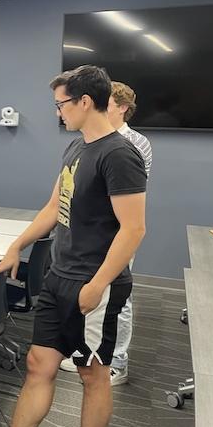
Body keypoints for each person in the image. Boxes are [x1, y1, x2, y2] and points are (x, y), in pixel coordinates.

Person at [0, 66, 147, 427]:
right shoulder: (76, 149)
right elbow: (53, 207)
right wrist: (15, 247)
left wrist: (98, 284)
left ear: (85, 102)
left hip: (94, 283)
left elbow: (133, 229)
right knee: (40, 364)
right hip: (60, 275)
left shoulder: (119, 155)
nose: (58, 113)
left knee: (92, 375)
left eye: (61, 105)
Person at [59, 81, 152, 386]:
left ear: (123, 108)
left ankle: (117, 363)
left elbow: (126, 203)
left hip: (116, 233)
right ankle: (84, 351)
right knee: (87, 298)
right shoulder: (86, 141)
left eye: (109, 103)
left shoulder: (133, 144)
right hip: (88, 236)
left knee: (116, 300)